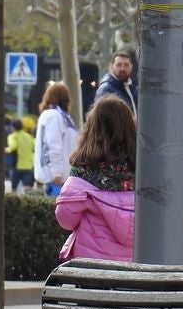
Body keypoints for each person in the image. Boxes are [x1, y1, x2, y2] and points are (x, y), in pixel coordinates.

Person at [54, 96, 136, 262]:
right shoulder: (143, 173)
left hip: (92, 271)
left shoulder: (84, 173)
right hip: (135, 270)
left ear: (93, 129)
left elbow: (65, 219)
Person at [33, 81, 78, 198]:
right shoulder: (54, 116)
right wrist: (56, 174)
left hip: (62, 178)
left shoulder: (62, 116)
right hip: (55, 179)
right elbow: (53, 146)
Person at [5, 118, 35, 193]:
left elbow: (13, 146)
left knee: (13, 188)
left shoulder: (13, 136)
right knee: (27, 188)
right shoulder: (29, 136)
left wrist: (6, 150)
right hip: (28, 165)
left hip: (17, 165)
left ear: (13, 127)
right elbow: (33, 147)